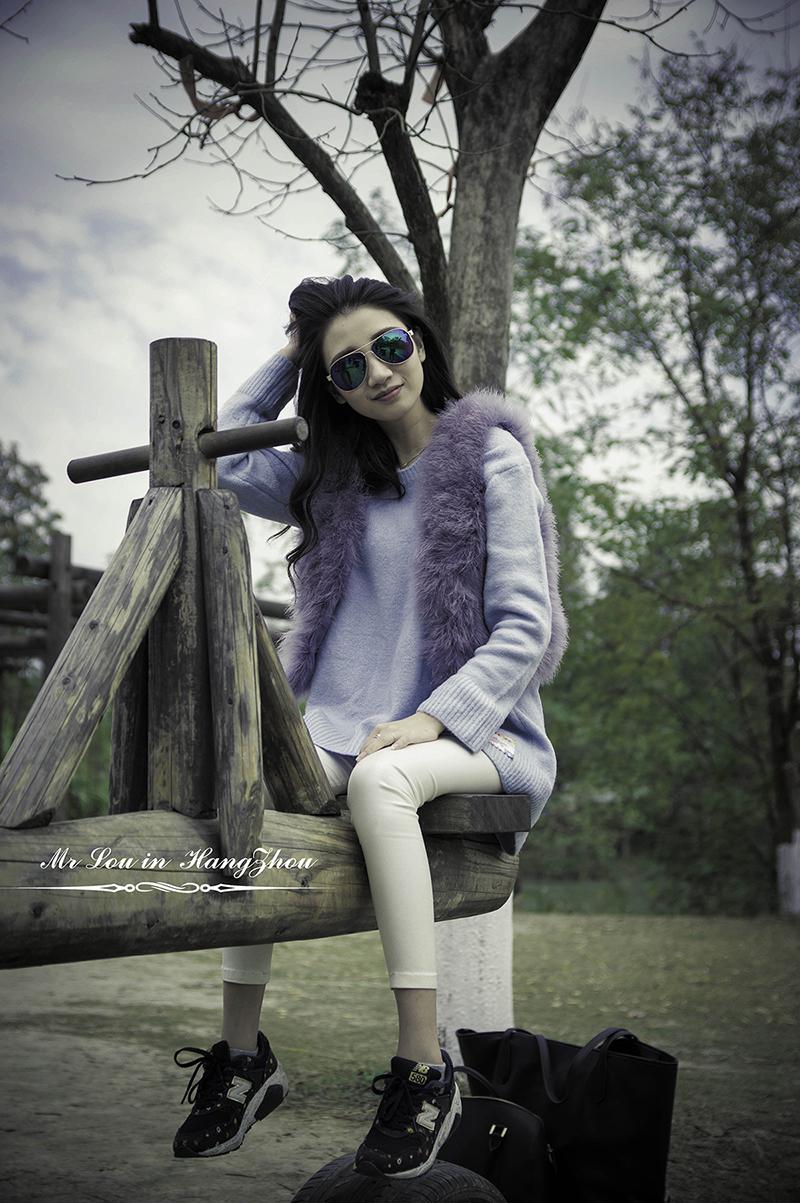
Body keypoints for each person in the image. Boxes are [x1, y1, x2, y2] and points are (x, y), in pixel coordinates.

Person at [171, 274, 568, 1180]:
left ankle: (423, 1069)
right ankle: (242, 1058)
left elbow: (525, 626)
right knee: (254, 788)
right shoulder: (337, 481)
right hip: (351, 723)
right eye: (348, 367)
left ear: (420, 343)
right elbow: (221, 452)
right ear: (335, 390)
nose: (378, 372)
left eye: (390, 347)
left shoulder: (491, 458)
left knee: (382, 780)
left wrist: (434, 716)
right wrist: (293, 352)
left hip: (483, 730)